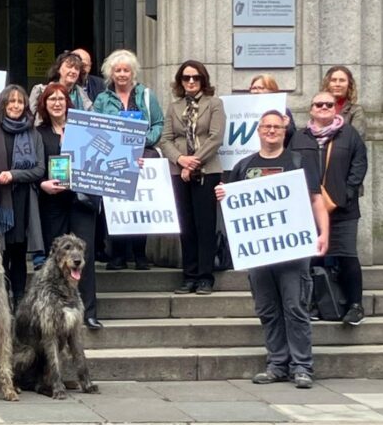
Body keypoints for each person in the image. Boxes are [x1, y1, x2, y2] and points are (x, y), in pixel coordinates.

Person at [215, 110, 329, 389]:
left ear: (284, 130)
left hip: (293, 250)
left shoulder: (299, 161)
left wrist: (324, 233)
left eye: (276, 127)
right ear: (258, 130)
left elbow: (316, 199)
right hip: (259, 252)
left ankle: (302, 366)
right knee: (267, 308)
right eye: (266, 126)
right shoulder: (244, 165)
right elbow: (234, 205)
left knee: (295, 307)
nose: (271, 131)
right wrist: (222, 194)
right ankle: (277, 364)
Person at [291, 92, 368, 325]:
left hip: (343, 209)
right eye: (318, 104)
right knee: (312, 258)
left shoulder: (349, 134)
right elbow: (292, 168)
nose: (323, 107)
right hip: (309, 209)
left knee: (347, 256)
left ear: (336, 108)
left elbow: (359, 164)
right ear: (311, 109)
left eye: (329, 104)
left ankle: (355, 305)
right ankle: (313, 303)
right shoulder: (299, 137)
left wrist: (345, 195)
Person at [0, 85, 45, 308]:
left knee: (19, 253)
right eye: (11, 101)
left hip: (23, 201)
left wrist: (13, 175)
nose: (15, 106)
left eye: (20, 102)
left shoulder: (33, 133)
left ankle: (19, 300)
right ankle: (1, 301)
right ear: (2, 104)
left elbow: (39, 170)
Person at [36, 82, 102, 329]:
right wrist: (43, 184)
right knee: (57, 258)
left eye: (60, 99)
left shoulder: (84, 130)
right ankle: (57, 309)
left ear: (68, 102)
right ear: (44, 104)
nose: (56, 103)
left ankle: (89, 312)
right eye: (51, 99)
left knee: (84, 255)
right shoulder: (38, 134)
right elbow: (34, 167)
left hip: (81, 200)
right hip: (53, 201)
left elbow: (105, 158)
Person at [158, 60, 225, 295]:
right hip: (179, 173)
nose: (191, 82)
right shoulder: (173, 107)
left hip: (207, 171)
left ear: (202, 80)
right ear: (180, 81)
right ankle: (189, 275)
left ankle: (205, 277)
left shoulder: (214, 104)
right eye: (186, 78)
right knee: (186, 226)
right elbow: (165, 139)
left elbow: (216, 138)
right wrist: (181, 161)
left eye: (195, 78)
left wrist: (193, 161)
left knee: (204, 225)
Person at [94, 49, 164, 271]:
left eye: (126, 70)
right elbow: (95, 127)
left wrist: (143, 141)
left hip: (141, 158)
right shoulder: (103, 99)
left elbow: (159, 123)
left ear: (133, 72)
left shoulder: (146, 95)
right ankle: (118, 255)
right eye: (118, 70)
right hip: (113, 159)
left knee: (139, 205)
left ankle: (139, 254)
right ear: (111, 74)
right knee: (115, 207)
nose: (122, 74)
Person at [29, 51, 93, 119]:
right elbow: (30, 117)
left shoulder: (81, 93)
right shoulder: (41, 90)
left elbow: (91, 116)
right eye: (69, 67)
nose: (73, 71)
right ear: (58, 69)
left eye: (77, 68)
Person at [249, 74, 296, 147]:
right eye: (253, 88)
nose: (256, 91)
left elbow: (293, 139)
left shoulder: (283, 110)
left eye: (260, 88)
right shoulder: (244, 109)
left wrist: (287, 126)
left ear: (272, 90)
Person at [320, 66, 366, 138]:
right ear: (327, 83)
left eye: (342, 80)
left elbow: (357, 139)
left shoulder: (355, 110)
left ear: (349, 84)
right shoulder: (318, 108)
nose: (337, 84)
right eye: (333, 80)